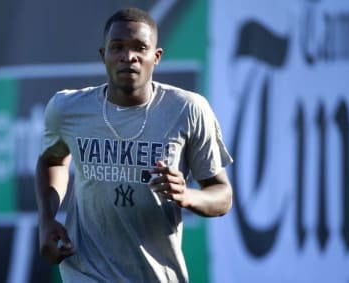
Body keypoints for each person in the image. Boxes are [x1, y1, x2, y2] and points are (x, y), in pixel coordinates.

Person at [35, 7, 233, 282]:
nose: (129, 57)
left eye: (140, 48)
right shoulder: (67, 108)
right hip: (87, 272)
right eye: (117, 48)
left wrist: (187, 196)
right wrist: (47, 219)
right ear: (104, 55)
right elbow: (52, 160)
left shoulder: (188, 109)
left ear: (156, 56)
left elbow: (221, 194)